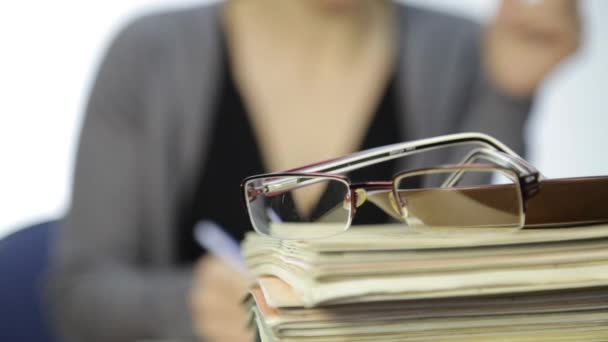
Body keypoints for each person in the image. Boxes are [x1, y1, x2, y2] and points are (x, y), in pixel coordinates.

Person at [47, 0, 580, 341]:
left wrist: (509, 92)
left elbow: (458, 278)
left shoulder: (467, 53)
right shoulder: (151, 56)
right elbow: (79, 297)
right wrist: (188, 307)